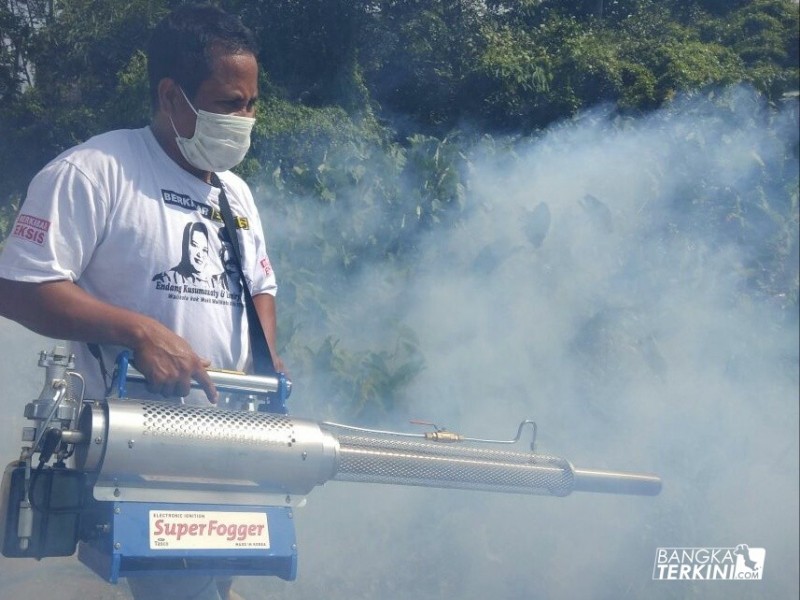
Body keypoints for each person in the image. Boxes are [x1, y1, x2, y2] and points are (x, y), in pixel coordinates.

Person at [0, 4, 283, 599]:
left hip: (230, 444)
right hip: (141, 439)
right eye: (229, 103)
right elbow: (20, 285)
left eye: (252, 103)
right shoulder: (96, 172)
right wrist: (137, 332)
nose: (245, 117)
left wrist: (267, 364)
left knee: (212, 585)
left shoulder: (236, 194)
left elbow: (259, 287)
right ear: (171, 95)